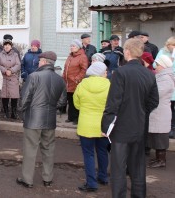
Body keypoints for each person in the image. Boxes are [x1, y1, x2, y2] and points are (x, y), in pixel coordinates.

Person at [101, 38, 159, 198]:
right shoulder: (149, 74)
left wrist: (105, 127)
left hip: (121, 128)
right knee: (138, 167)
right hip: (140, 126)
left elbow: (113, 103)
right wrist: (140, 111)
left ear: (127, 51)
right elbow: (154, 101)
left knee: (119, 169)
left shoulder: (120, 72)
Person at [16, 51, 67, 188]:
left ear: (44, 61)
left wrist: (21, 111)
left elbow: (25, 98)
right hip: (49, 120)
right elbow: (62, 102)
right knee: (48, 149)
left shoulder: (33, 76)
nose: (38, 62)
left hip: (33, 119)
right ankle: (47, 178)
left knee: (30, 149)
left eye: (40, 60)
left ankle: (27, 180)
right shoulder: (60, 80)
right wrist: (50, 108)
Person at [73, 62, 110, 192]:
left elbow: (76, 104)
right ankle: (103, 177)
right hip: (103, 126)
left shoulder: (82, 85)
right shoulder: (109, 85)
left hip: (86, 125)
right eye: (105, 71)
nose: (107, 73)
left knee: (88, 155)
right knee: (103, 151)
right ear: (100, 73)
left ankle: (91, 183)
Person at [147, 55, 175, 168]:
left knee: (160, 137)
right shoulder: (162, 76)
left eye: (157, 65)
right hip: (158, 111)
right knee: (157, 136)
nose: (155, 67)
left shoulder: (166, 78)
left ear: (163, 65)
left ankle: (161, 160)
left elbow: (157, 94)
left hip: (160, 111)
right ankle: (158, 158)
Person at [62, 39, 88, 124]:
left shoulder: (82, 56)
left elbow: (84, 70)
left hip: (76, 83)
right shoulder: (70, 56)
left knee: (76, 101)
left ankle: (76, 118)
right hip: (68, 83)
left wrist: (77, 79)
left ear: (78, 47)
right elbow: (66, 68)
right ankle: (70, 117)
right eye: (71, 46)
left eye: (73, 46)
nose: (71, 47)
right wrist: (63, 77)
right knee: (70, 100)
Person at [155, 36, 175, 139]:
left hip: (172, 80)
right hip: (167, 79)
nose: (174, 47)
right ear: (168, 45)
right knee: (169, 107)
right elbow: (156, 64)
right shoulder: (163, 52)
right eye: (173, 45)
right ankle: (170, 128)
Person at [0, 38, 21, 119]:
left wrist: (11, 70)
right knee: (4, 95)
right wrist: (5, 70)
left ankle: (14, 113)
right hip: (3, 77)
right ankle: (6, 112)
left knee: (14, 96)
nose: (7, 46)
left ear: (11, 46)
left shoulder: (15, 55)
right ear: (3, 46)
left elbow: (18, 65)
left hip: (12, 78)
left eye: (8, 45)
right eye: (5, 45)